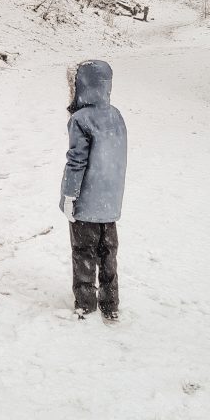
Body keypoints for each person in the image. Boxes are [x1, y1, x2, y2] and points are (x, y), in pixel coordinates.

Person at [59, 59, 127, 321]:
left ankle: (86, 304)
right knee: (108, 253)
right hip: (110, 203)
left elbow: (77, 161)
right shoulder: (116, 115)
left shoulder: (80, 119)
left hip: (86, 203)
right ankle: (110, 304)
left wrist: (69, 196)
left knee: (84, 252)